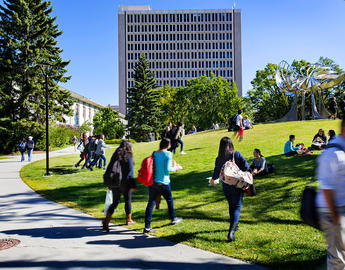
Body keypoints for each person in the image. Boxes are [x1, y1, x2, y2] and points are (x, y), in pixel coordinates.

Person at [316, 117, 345, 269]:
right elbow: (326, 188)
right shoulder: (332, 153)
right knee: (337, 258)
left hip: (340, 209)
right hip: (332, 210)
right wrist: (336, 218)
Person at [209, 137, 249, 242]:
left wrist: (212, 180)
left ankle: (234, 226)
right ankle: (231, 231)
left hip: (226, 186)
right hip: (237, 186)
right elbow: (246, 167)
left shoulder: (219, 158)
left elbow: (216, 174)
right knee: (236, 206)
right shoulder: (236, 154)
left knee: (232, 206)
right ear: (231, 144)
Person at [144, 138, 183, 233]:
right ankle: (173, 218)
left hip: (153, 182)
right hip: (164, 182)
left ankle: (147, 226)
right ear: (168, 145)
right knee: (169, 200)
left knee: (151, 203)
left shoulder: (154, 153)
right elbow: (167, 169)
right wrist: (176, 168)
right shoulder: (168, 154)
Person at [102, 140, 137, 232]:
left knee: (115, 202)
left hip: (115, 182)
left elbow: (110, 168)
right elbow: (130, 172)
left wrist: (110, 182)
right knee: (127, 201)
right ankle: (129, 219)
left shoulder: (116, 154)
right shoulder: (129, 155)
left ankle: (106, 221)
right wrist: (133, 184)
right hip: (125, 182)